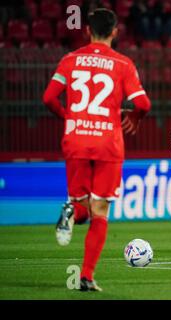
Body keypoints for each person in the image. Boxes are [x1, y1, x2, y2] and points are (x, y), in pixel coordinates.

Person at [42, 8, 151, 291]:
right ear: (115, 32)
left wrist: (69, 118)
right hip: (107, 142)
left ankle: (70, 209)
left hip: (76, 138)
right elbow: (143, 104)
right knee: (99, 211)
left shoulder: (70, 60)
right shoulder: (123, 64)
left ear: (88, 31)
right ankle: (87, 277)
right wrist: (135, 118)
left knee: (81, 206)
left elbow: (49, 98)